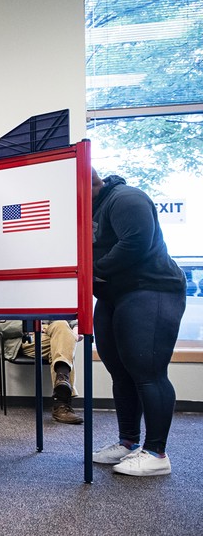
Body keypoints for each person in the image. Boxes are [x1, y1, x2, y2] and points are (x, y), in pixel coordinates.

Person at [90, 168, 186, 477]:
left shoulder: (126, 199)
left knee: (147, 370)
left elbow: (136, 242)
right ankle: (128, 442)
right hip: (112, 294)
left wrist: (90, 272)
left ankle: (157, 453)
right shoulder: (89, 208)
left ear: (89, 182)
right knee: (119, 370)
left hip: (151, 288)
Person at [0, 320, 83, 424]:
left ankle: (62, 384)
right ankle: (61, 404)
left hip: (53, 332)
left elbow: (72, 321)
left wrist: (75, 330)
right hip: (24, 338)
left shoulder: (56, 302)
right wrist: (31, 326)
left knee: (62, 326)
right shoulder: (0, 303)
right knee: (64, 343)